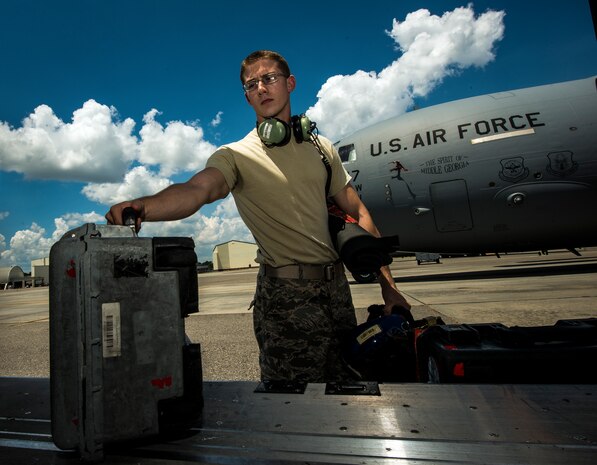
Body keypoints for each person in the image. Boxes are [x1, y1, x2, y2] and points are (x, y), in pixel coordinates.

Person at [106, 50, 411, 383]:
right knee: (292, 407)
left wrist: (389, 287)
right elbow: (198, 190)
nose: (262, 89)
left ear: (290, 83)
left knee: (348, 392)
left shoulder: (321, 147)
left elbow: (360, 212)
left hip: (337, 293)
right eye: (252, 85)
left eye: (269, 79)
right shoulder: (236, 156)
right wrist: (144, 207)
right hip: (285, 299)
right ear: (247, 96)